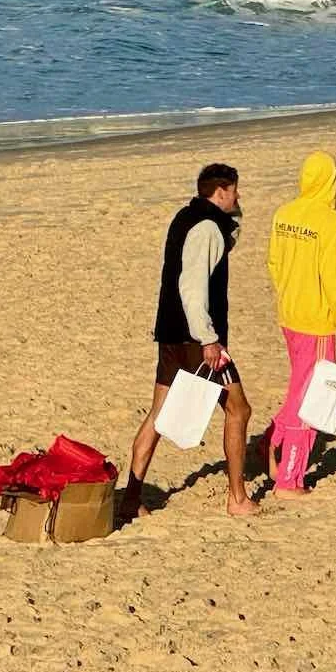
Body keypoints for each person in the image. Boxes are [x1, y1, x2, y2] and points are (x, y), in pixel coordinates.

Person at [121, 162, 257, 521]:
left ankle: (131, 497)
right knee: (238, 409)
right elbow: (192, 289)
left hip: (170, 333)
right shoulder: (208, 229)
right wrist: (209, 340)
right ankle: (238, 497)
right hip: (198, 338)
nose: (239, 196)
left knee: (159, 413)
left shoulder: (187, 217)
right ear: (221, 192)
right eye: (235, 190)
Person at [265, 151, 336, 495]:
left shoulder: (284, 213)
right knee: (312, 399)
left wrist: (290, 295)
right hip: (316, 321)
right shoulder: (332, 223)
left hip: (288, 315)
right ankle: (289, 479)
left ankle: (273, 436)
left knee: (299, 386)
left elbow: (274, 264)